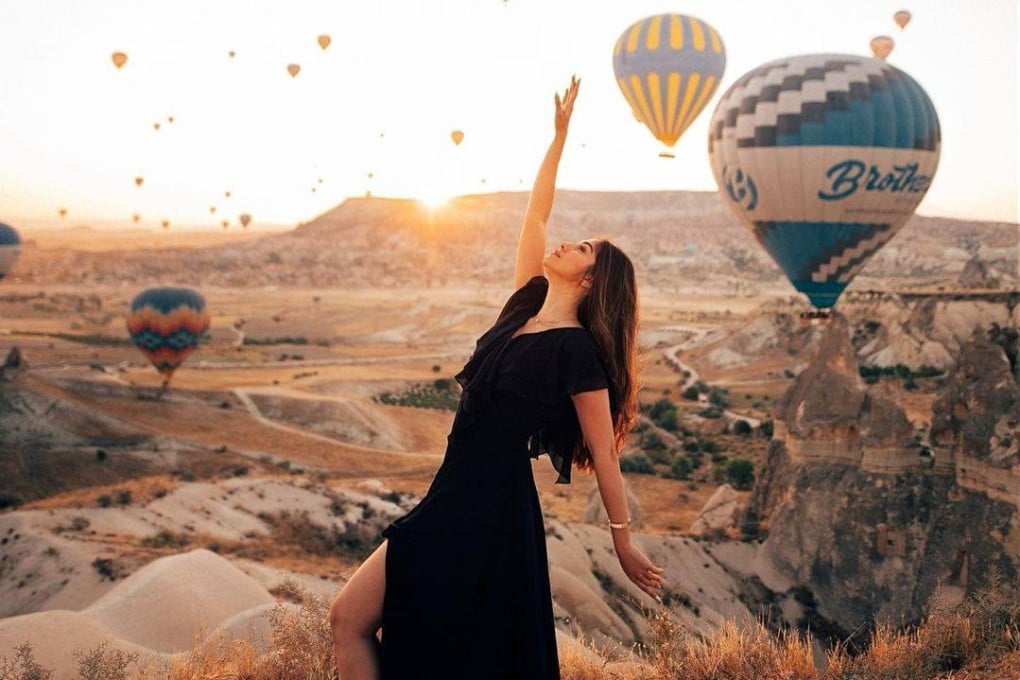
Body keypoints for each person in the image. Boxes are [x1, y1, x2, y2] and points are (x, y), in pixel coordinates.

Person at [328, 75, 665, 680]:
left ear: (591, 280)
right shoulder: (523, 305)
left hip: (490, 508)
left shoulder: (578, 355)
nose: (565, 241)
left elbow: (604, 456)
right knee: (361, 625)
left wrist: (621, 540)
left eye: (583, 246)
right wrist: (558, 139)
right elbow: (534, 213)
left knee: (351, 617)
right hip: (451, 493)